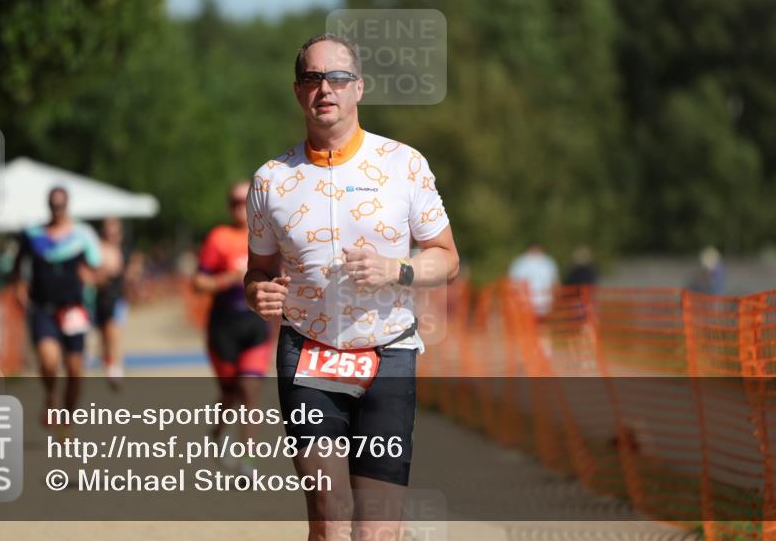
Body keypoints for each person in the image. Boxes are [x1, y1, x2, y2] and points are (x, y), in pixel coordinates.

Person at [245, 33, 460, 540]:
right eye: (312, 78)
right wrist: (257, 293)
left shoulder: (403, 164)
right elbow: (257, 272)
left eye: (337, 77)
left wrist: (397, 270)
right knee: (329, 517)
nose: (326, 88)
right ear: (298, 92)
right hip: (308, 350)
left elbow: (447, 258)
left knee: (377, 529)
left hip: (389, 350)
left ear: (358, 88)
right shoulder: (271, 179)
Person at [193, 180, 272, 474]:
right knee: (230, 394)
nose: (240, 207)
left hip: (255, 324)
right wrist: (228, 278)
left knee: (249, 389)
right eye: (235, 202)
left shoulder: (267, 234)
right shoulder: (219, 238)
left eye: (245, 200)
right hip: (224, 325)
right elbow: (198, 282)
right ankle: (216, 434)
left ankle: (247, 460)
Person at [13, 186, 101, 426]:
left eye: (61, 205)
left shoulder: (82, 234)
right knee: (49, 361)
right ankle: (51, 397)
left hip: (74, 309)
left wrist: (92, 277)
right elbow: (17, 266)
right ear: (48, 206)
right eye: (53, 205)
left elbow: (98, 268)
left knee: (75, 371)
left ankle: (68, 418)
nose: (57, 209)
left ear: (67, 205)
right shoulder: (33, 235)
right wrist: (19, 287)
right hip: (43, 307)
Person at [93, 217, 130, 390]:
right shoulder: (98, 248)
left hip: (118, 298)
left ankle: (115, 365)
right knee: (104, 334)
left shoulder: (123, 249)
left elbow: (126, 271)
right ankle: (109, 362)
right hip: (101, 297)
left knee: (114, 331)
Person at [508, 244, 559, 319]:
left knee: (541, 318)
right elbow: (512, 281)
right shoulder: (520, 262)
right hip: (525, 300)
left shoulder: (548, 262)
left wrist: (554, 295)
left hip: (543, 299)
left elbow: (554, 280)